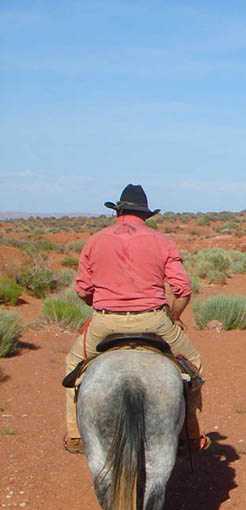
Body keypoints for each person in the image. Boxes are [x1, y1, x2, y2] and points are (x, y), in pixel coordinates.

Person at [63, 184, 206, 454]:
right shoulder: (162, 241)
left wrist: (102, 305)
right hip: (154, 321)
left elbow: (83, 289)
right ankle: (190, 434)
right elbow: (183, 290)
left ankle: (75, 434)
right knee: (193, 365)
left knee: (73, 366)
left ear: (118, 211)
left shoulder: (95, 240)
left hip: (105, 324)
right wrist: (174, 316)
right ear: (145, 214)